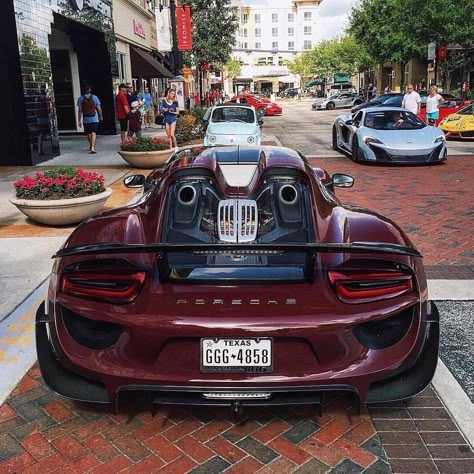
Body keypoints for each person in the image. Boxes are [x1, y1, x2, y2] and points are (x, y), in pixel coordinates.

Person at [77, 85, 103, 154]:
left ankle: (91, 145)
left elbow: (80, 110)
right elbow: (99, 108)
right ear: (90, 90)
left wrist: (79, 120)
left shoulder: (80, 98)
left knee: (88, 133)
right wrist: (101, 115)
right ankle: (93, 147)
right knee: (93, 132)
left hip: (86, 119)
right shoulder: (95, 97)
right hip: (94, 118)